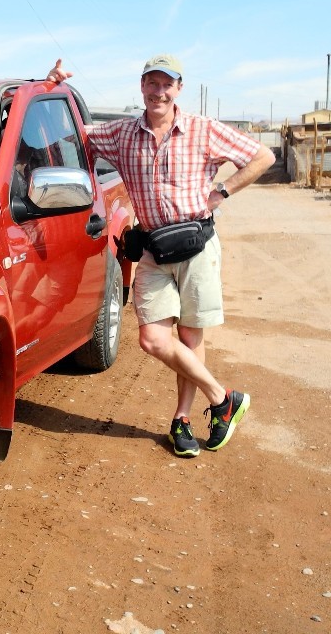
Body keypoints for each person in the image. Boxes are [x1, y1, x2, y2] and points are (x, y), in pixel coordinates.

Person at [47, 55, 276, 457]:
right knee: (153, 338)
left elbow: (263, 157)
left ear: (178, 89)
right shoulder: (120, 134)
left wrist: (222, 192)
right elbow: (66, 135)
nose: (159, 91)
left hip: (196, 246)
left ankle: (182, 419)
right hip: (152, 247)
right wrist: (51, 87)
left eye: (166, 84)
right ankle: (223, 399)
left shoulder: (203, 130)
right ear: (141, 86)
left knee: (190, 336)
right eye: (152, 83)